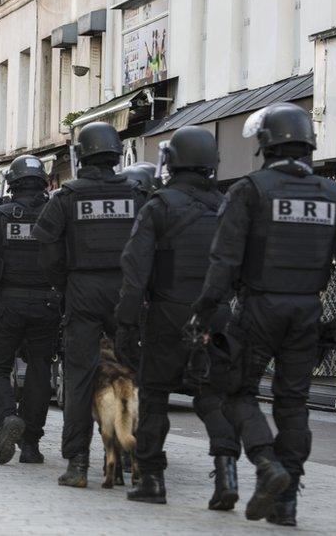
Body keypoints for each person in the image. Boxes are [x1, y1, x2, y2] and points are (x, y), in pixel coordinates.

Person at [193, 102, 336, 525]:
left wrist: (205, 311)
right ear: (308, 144)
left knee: (237, 391)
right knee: (294, 403)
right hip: (307, 311)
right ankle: (287, 501)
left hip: (258, 307)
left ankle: (266, 463)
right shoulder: (332, 195)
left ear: (266, 144)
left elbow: (223, 261)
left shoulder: (250, 190)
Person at [116, 126, 241, 507]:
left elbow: (135, 269)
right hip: (215, 316)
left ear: (171, 163)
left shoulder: (159, 206)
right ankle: (226, 474)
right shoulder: (227, 208)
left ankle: (152, 480)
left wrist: (125, 323)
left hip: (167, 315)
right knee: (211, 396)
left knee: (154, 397)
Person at [33, 122, 147, 487]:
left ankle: (78, 464)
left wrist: (63, 283)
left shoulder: (66, 197)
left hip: (81, 290)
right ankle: (132, 458)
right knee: (130, 374)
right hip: (126, 289)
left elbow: (47, 249)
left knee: (80, 379)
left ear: (82, 155)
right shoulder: (137, 195)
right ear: (116, 154)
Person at [0, 155, 58, 466]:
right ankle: (32, 445)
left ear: (12, 184)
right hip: (47, 303)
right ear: (44, 182)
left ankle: (9, 416)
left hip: (9, 301)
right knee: (39, 370)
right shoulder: (55, 214)